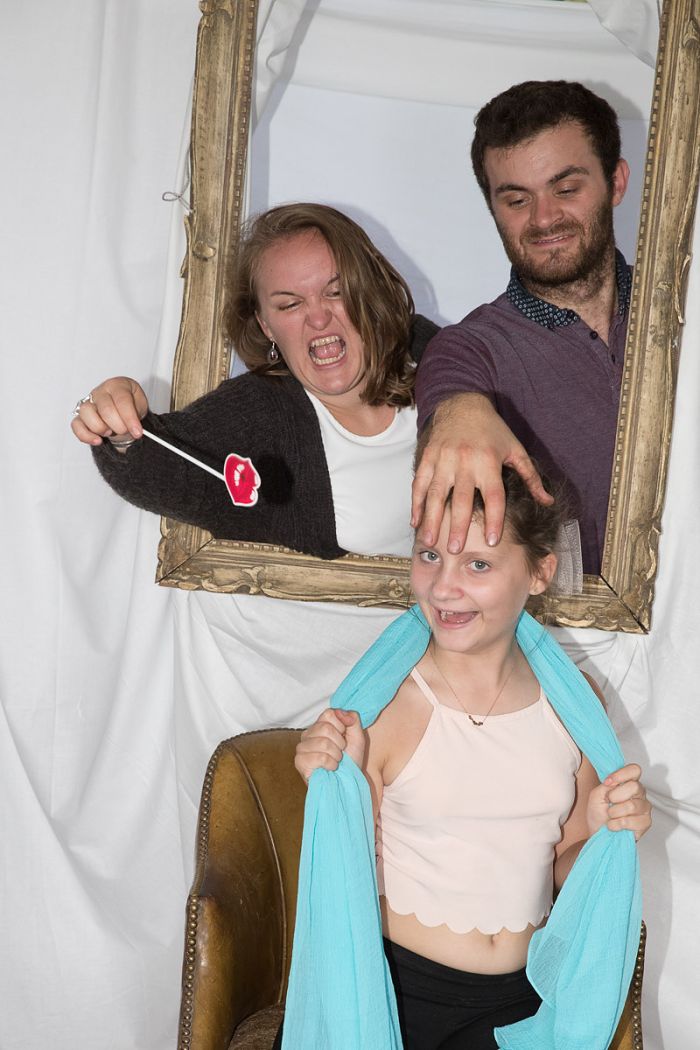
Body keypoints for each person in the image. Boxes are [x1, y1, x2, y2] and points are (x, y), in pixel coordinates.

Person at [285, 469, 651, 1050]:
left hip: (523, 1003)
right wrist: (330, 781)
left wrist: (609, 827)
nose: (443, 587)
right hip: (399, 999)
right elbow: (343, 869)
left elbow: (565, 859)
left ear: (539, 572)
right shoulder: (383, 706)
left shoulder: (575, 705)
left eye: (478, 564)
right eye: (430, 555)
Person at [71, 202, 438, 559]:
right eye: (289, 304)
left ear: (370, 292)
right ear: (266, 325)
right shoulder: (258, 412)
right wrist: (120, 425)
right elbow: (166, 469)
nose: (318, 318)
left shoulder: (440, 359)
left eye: (336, 292)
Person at [412, 81, 632, 575]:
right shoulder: (469, 348)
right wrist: (460, 415)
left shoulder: (682, 308)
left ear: (616, 182)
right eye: (516, 200)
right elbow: (451, 393)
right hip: (584, 621)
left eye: (566, 189)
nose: (544, 218)